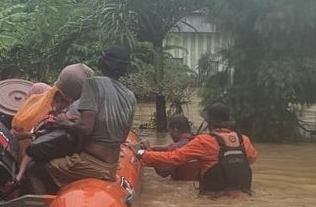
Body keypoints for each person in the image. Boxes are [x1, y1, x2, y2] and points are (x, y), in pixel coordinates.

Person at [28, 47, 136, 193]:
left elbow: (86, 128)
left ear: (101, 63)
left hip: (89, 163)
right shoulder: (130, 96)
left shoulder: (92, 84)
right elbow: (122, 137)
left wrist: (63, 122)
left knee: (33, 170)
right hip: (111, 165)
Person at [135, 102, 257, 195]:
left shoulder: (204, 141)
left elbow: (173, 158)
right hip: (243, 194)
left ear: (209, 122)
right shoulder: (244, 140)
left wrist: (141, 153)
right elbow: (252, 159)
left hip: (212, 199)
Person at [145, 114, 198, 182]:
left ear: (175, 130)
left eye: (169, 131)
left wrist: (148, 152)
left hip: (179, 187)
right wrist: (153, 148)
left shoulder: (176, 147)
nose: (170, 134)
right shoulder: (199, 141)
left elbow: (163, 172)